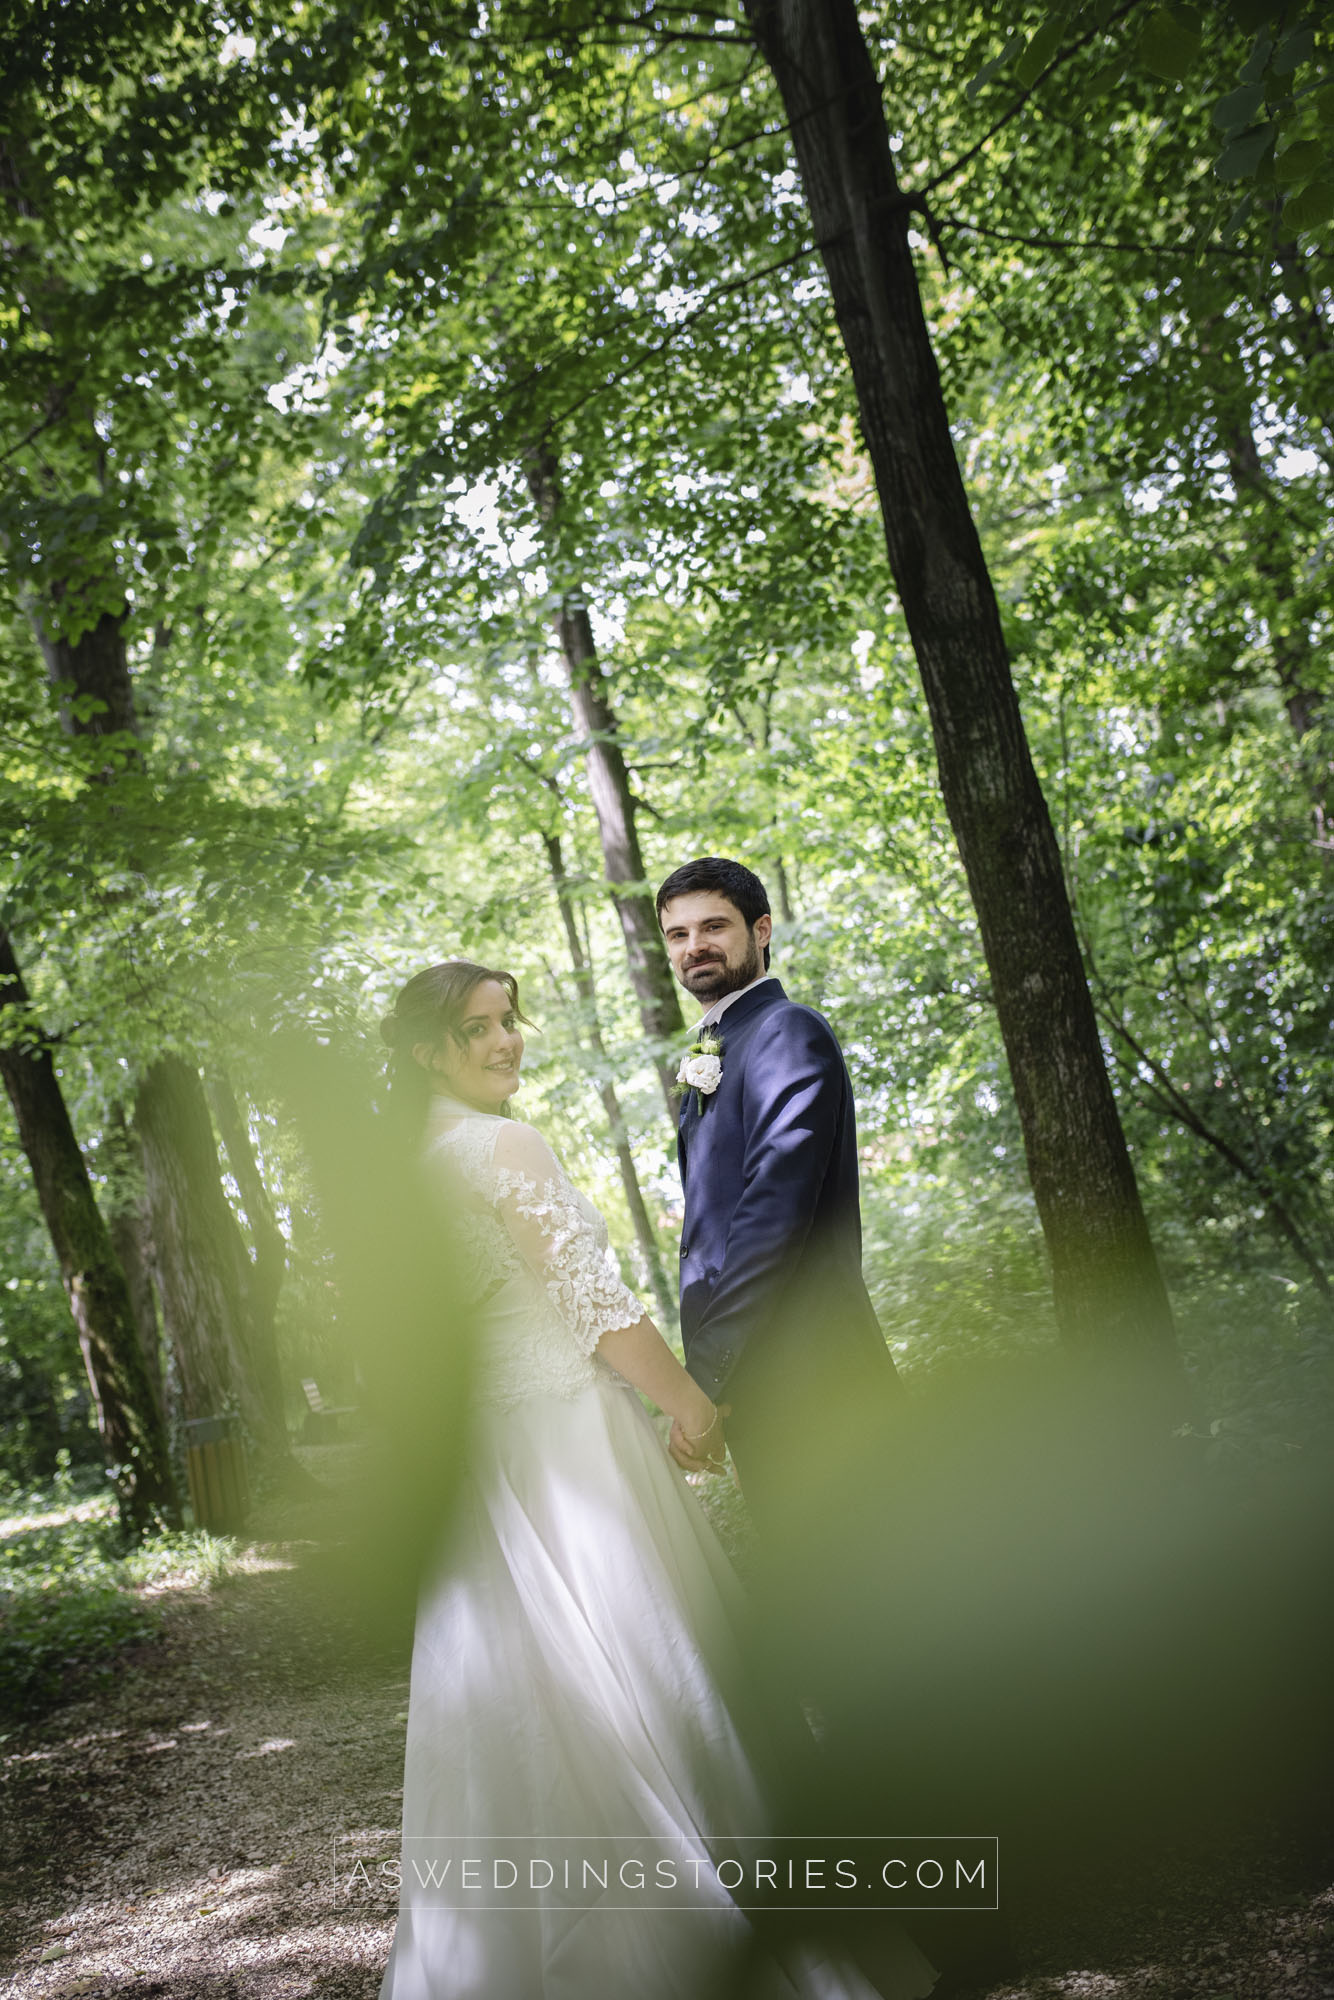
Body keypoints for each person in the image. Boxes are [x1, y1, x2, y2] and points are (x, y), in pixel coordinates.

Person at [375, 958, 938, 2000]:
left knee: (521, 1698)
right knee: (644, 1668)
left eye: (510, 1019)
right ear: (425, 1050)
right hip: (569, 1449)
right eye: (477, 1029)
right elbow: (592, 1303)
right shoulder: (504, 1146)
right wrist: (689, 1401)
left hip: (483, 1469)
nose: (507, 1040)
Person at [657, 858, 903, 1542]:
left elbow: (775, 1209)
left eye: (713, 926)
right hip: (760, 1381)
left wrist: (703, 1376)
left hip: (817, 1375)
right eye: (677, 935)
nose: (693, 946)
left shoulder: (786, 1032)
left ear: (760, 929)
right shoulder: (718, 1045)